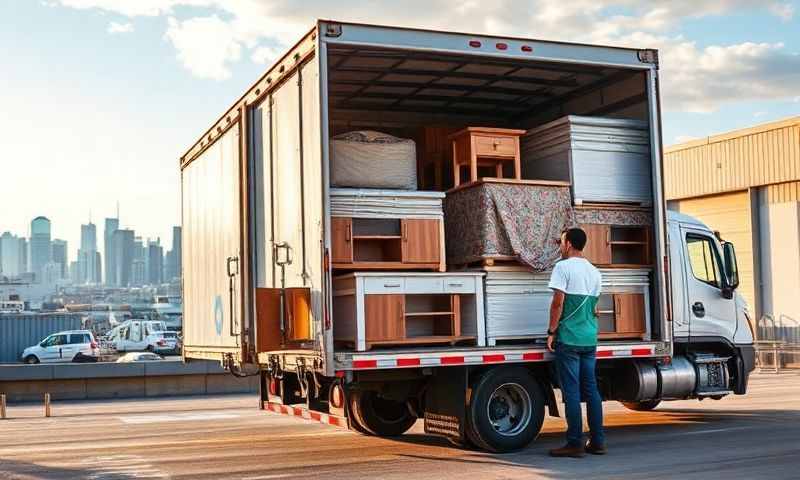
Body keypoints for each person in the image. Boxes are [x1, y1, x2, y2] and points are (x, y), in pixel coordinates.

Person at [546, 227, 606, 458]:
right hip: (589, 339)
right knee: (591, 390)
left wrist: (551, 331)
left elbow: (558, 303)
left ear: (569, 244)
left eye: (561, 242)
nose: (560, 247)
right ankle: (598, 441)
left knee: (571, 392)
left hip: (569, 339)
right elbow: (595, 309)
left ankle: (574, 443)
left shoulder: (563, 267)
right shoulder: (594, 272)